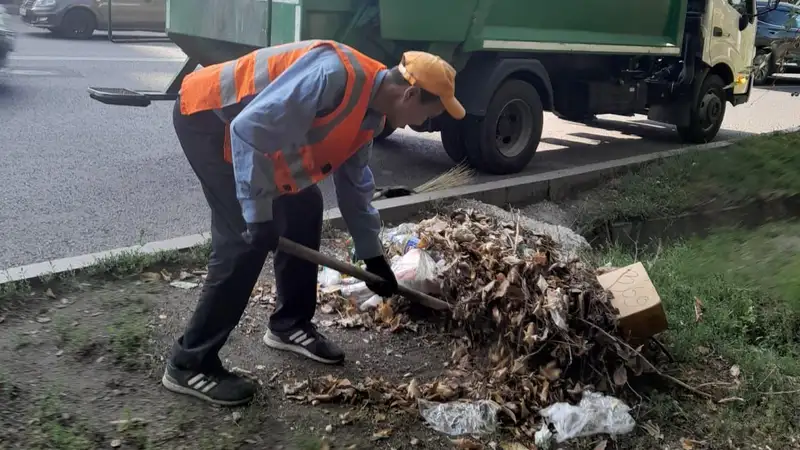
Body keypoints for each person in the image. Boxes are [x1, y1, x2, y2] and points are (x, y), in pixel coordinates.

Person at [161, 39, 466, 406]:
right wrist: (258, 216)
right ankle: (190, 362)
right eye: (429, 114)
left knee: (305, 204)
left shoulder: (371, 115)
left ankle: (290, 325)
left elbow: (355, 189)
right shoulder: (335, 76)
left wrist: (374, 258)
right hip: (210, 119)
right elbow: (247, 131)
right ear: (411, 95)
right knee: (243, 240)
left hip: (250, 133)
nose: (425, 123)